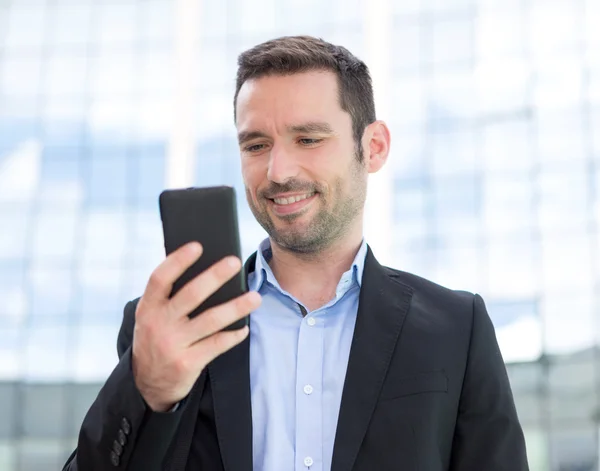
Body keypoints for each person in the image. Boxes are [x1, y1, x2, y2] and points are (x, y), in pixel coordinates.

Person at [63, 35, 529, 471]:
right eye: (256, 144)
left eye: (308, 139)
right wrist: (146, 389)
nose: (278, 171)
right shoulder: (172, 326)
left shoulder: (456, 327)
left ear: (374, 147)